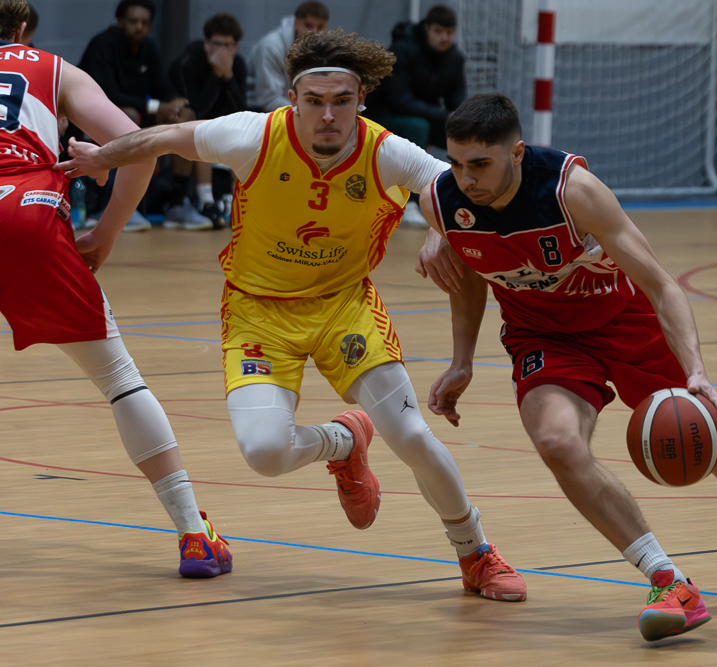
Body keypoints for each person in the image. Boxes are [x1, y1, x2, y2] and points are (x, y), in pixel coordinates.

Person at [58, 30, 527, 603]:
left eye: (342, 101)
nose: (328, 115)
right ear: (292, 99)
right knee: (264, 453)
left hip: (344, 307)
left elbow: (449, 187)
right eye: (315, 101)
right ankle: (343, 442)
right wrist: (102, 156)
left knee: (410, 435)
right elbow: (165, 137)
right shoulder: (254, 136)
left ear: (361, 100)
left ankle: (475, 552)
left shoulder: (385, 152)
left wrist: (438, 229)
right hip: (257, 313)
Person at [415, 94, 717, 641]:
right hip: (544, 336)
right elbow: (469, 272)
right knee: (557, 443)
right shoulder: (441, 201)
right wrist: (462, 360)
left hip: (624, 319)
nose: (465, 179)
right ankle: (668, 580)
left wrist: (696, 372)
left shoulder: (574, 192)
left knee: (712, 441)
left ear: (516, 153)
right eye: (456, 163)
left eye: (479, 164)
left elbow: (660, 283)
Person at [0, 0, 232, 578]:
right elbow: (139, 146)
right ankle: (193, 535)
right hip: (26, 214)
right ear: (23, 29)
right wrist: (104, 231)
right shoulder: (54, 69)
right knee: (119, 380)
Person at [79, 0, 212, 231]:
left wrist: (174, 102)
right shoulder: (102, 45)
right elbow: (108, 94)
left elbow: (162, 85)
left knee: (186, 116)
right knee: (127, 117)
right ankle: (114, 206)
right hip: (91, 121)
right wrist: (156, 107)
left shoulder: (149, 48)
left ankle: (178, 204)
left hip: (137, 116)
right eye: (133, 21)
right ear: (121, 22)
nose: (139, 27)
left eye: (144, 22)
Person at [365, 5, 467, 227]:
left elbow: (457, 102)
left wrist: (462, 119)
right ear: (427, 28)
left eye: (449, 32)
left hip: (423, 116)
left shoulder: (455, 58)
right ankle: (410, 203)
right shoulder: (402, 49)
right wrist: (443, 115)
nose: (444, 37)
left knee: (464, 132)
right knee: (418, 127)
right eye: (438, 31)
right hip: (381, 115)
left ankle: (468, 195)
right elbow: (399, 100)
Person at [169, 13, 247, 227]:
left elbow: (242, 110)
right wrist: (215, 75)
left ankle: (240, 203)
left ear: (236, 47)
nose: (222, 51)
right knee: (201, 129)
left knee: (243, 133)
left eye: (227, 45)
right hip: (195, 124)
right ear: (206, 43)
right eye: (216, 44)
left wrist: (228, 76)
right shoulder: (189, 61)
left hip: (227, 125)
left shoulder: (238, 65)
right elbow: (197, 108)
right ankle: (206, 202)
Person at [248, 1, 328, 113]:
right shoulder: (271, 47)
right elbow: (269, 101)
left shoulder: (320, 48)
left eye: (320, 27)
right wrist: (310, 111)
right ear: (296, 24)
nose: (315, 33)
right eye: (308, 26)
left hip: (293, 109)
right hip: (257, 112)